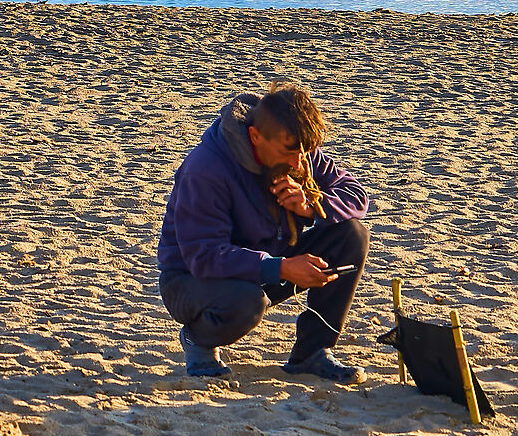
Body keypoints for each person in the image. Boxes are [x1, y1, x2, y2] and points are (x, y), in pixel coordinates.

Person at [156, 84, 370, 381]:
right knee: (248, 301)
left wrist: (311, 206)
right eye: (289, 152)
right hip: (191, 280)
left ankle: (312, 352)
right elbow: (204, 256)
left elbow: (356, 195)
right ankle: (198, 341)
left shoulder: (297, 146)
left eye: (304, 153)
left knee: (351, 235)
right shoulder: (206, 169)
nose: (298, 162)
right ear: (255, 137)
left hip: (266, 262)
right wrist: (280, 267)